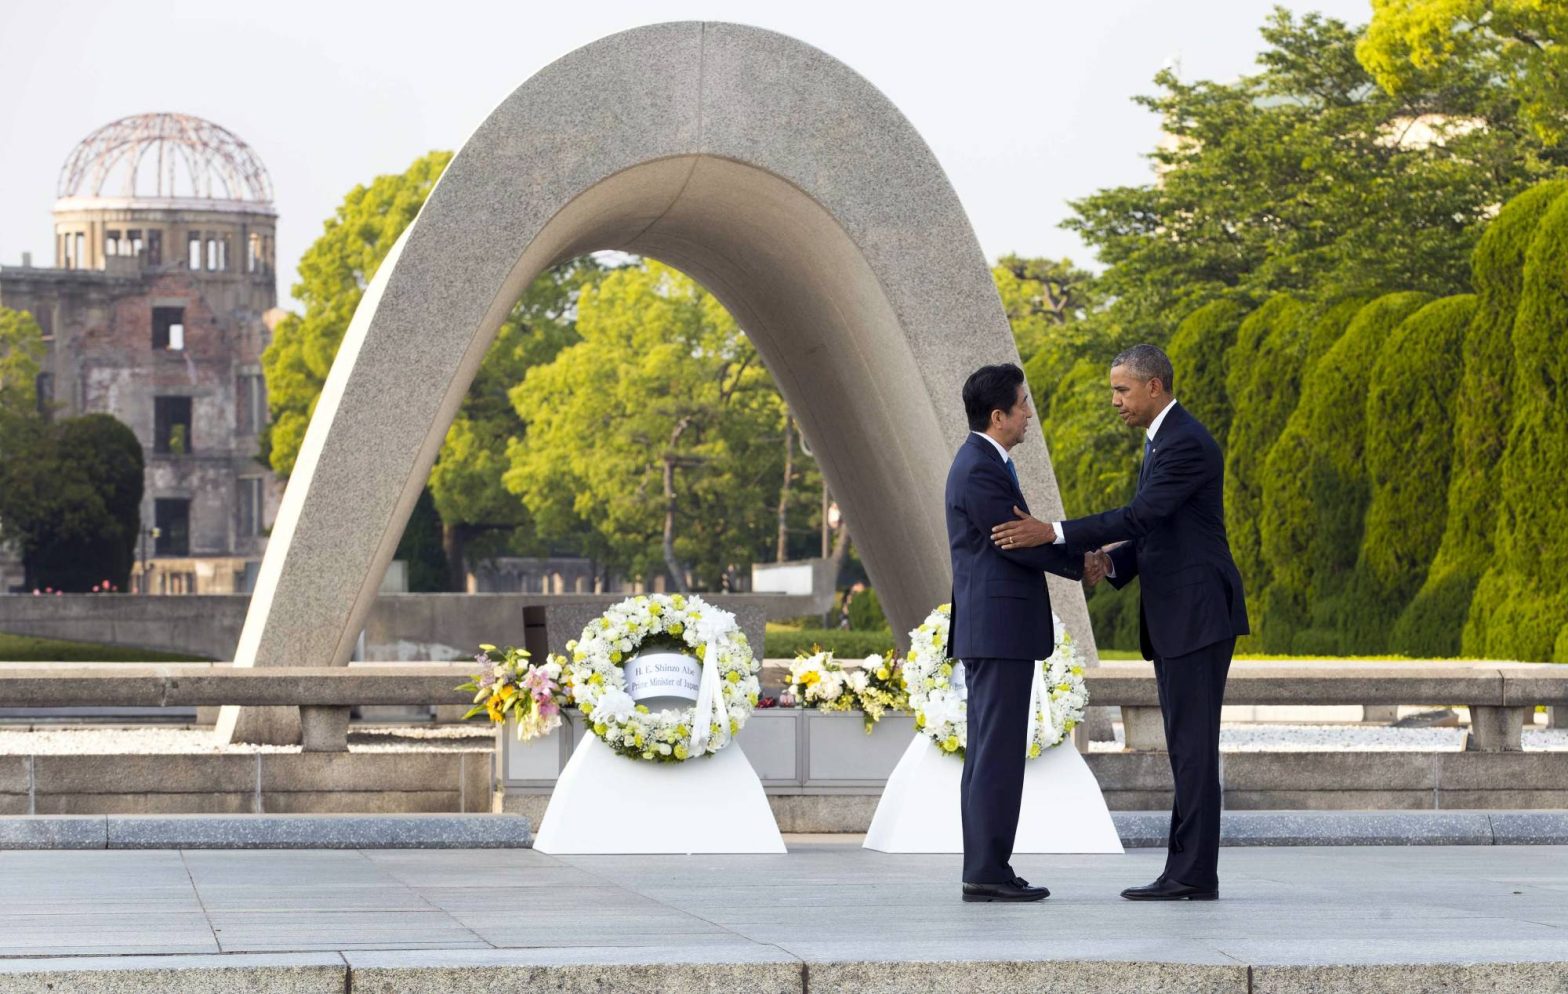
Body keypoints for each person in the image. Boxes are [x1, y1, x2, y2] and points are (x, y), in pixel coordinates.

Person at [992, 344, 1248, 901]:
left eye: (1122, 390)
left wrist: (1053, 532)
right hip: (1184, 614)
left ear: (1154, 387)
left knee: (1193, 747)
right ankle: (1186, 871)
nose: (1114, 401)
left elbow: (1142, 516)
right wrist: (1110, 561)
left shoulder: (1183, 443)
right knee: (1187, 745)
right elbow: (1159, 530)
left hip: (1198, 614)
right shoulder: (1165, 439)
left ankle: (1193, 874)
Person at [946, 363, 1084, 903]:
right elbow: (1016, 539)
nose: (1030, 414)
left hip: (995, 631)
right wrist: (1083, 561)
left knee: (991, 753)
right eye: (1023, 404)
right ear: (998, 415)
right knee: (995, 755)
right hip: (998, 632)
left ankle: (988, 866)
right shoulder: (980, 467)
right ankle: (986, 871)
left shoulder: (987, 462)